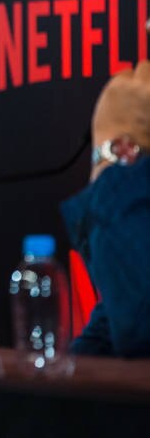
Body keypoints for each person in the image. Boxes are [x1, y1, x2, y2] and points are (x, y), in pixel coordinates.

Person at [62, 59, 150, 357]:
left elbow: (137, 330)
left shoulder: (121, 200)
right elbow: (108, 324)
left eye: (101, 153)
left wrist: (111, 180)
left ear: (124, 152)